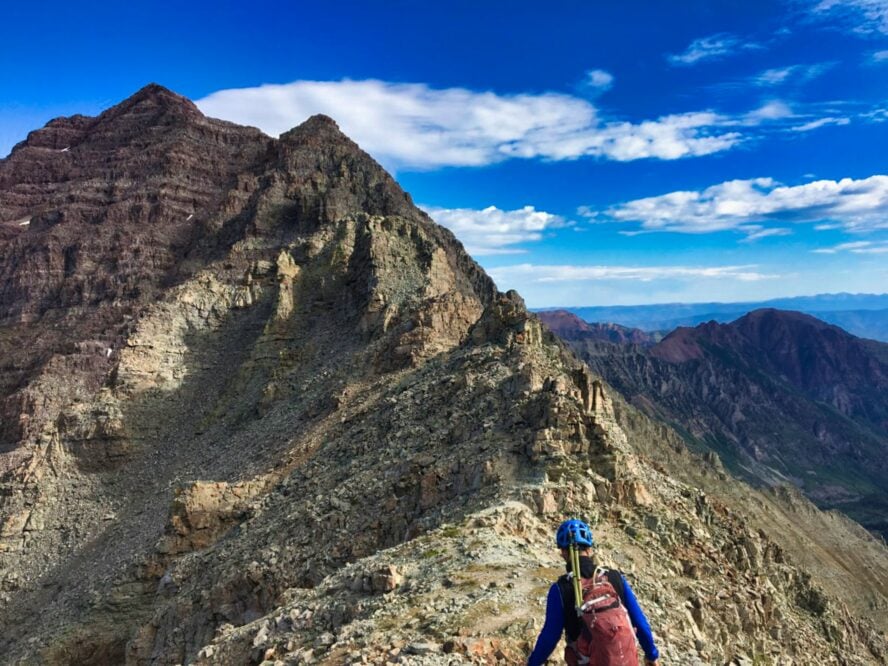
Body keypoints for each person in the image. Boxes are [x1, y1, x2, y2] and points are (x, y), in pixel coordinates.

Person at [527, 519, 659, 666]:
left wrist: (532, 663)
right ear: (589, 550)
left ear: (564, 552)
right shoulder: (615, 577)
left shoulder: (560, 588)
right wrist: (651, 655)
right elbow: (640, 623)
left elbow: (550, 636)